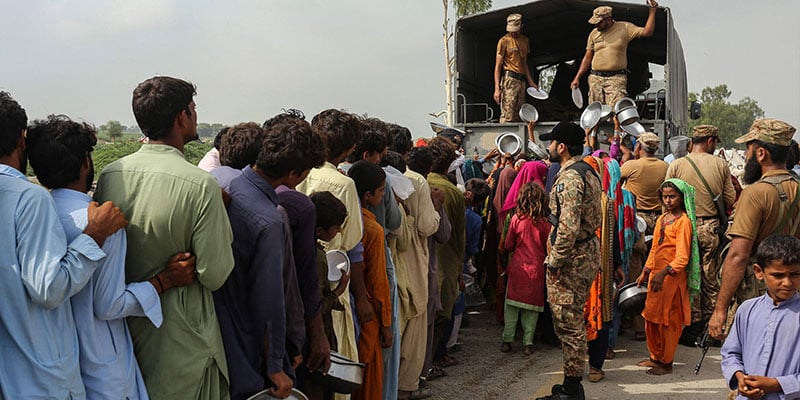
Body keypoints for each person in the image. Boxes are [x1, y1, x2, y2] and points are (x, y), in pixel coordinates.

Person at [26, 114, 197, 400]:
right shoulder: (103, 223)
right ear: (85, 163)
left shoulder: (39, 218)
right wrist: (162, 281)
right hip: (104, 366)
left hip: (61, 366)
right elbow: (108, 304)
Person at [94, 76, 235, 400]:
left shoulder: (110, 175)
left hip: (125, 335)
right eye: (193, 109)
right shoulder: (201, 185)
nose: (196, 116)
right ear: (181, 117)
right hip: (184, 339)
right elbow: (215, 276)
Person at [0, 92, 127, 398]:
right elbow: (49, 288)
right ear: (21, 139)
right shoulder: (28, 198)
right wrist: (94, 235)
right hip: (43, 379)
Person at [297, 110, 369, 399]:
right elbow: (351, 241)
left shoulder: (299, 172)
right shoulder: (343, 183)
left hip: (297, 276)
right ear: (349, 148)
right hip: (331, 276)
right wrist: (360, 296)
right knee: (334, 356)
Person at [708, 118, 799, 340]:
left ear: (761, 154)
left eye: (748, 149)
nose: (746, 155)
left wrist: (720, 310)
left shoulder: (755, 194)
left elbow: (738, 257)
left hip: (760, 294)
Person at [536, 121, 602, 400]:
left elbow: (568, 226)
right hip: (585, 254)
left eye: (551, 142)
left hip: (571, 260)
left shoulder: (571, 178)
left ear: (561, 147)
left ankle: (572, 390)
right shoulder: (588, 171)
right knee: (571, 319)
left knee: (569, 323)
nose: (548, 146)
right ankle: (570, 383)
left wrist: (554, 260)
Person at [664, 124, 736, 343]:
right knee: (710, 276)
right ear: (711, 141)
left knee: (685, 275)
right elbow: (730, 198)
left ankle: (689, 326)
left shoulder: (676, 165)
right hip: (710, 228)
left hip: (682, 227)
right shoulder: (720, 164)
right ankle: (710, 328)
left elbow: (666, 196)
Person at [721, 234, 800, 400]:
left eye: (794, 274)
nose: (787, 282)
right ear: (758, 272)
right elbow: (731, 353)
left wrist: (776, 384)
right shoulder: (747, 310)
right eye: (778, 275)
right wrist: (739, 377)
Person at [635, 179, 699, 375]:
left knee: (668, 321)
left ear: (681, 198)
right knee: (651, 317)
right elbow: (654, 248)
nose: (668, 200)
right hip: (657, 276)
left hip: (671, 277)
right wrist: (645, 272)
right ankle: (655, 356)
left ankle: (667, 362)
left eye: (672, 196)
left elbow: (682, 257)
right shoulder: (662, 219)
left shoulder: (684, 222)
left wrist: (663, 273)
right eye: (665, 197)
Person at [395, 146, 441, 400]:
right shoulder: (418, 182)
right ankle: (407, 386)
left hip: (394, 257)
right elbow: (426, 226)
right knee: (415, 321)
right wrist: (435, 209)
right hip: (412, 256)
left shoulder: (394, 176)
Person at [349, 160, 394, 400]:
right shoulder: (372, 229)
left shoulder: (349, 221)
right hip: (369, 314)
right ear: (368, 195)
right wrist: (386, 324)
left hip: (351, 307)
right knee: (368, 380)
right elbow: (379, 283)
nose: (384, 195)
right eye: (382, 191)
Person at [620, 132, 668, 340]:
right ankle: (654, 320)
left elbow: (614, 179)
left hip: (637, 222)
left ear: (640, 146)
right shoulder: (664, 167)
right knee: (656, 269)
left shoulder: (632, 166)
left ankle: (638, 325)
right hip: (658, 221)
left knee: (635, 270)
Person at [426, 137, 466, 376]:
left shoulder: (421, 183)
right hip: (447, 258)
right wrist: (460, 264)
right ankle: (435, 356)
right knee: (444, 310)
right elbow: (458, 235)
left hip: (425, 258)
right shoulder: (452, 192)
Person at [570, 0, 659, 108]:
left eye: (599, 22)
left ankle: (616, 125)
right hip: (595, 78)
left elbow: (647, 32)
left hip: (616, 78)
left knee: (616, 111)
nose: (596, 25)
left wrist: (652, 11)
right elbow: (587, 57)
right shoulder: (594, 34)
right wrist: (577, 77)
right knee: (595, 111)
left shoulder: (625, 28)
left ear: (608, 19)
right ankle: (595, 125)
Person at [500, 182, 550, 355]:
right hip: (537, 268)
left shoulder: (516, 220)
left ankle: (507, 339)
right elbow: (548, 247)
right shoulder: (546, 224)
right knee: (532, 308)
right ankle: (528, 342)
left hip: (518, 267)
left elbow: (508, 245)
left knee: (512, 307)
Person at [493, 13, 538, 123]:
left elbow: (524, 63)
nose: (513, 33)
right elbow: (498, 66)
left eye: (515, 30)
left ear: (521, 27)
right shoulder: (504, 41)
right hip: (510, 79)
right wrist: (497, 89)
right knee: (508, 114)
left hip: (521, 80)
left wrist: (531, 82)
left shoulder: (525, 41)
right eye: (511, 30)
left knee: (520, 114)